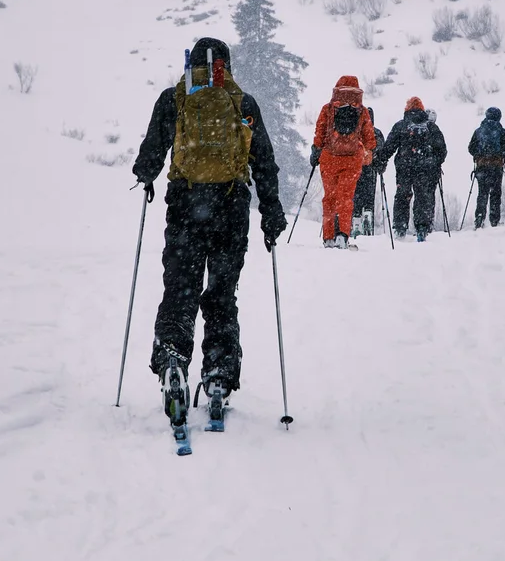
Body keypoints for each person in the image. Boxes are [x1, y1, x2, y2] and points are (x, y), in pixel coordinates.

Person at [132, 37, 287, 413]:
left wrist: (146, 173)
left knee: (180, 290)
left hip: (185, 206)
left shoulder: (175, 98)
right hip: (231, 209)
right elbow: (263, 161)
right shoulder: (243, 103)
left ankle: (172, 358)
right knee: (220, 297)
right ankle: (218, 372)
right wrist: (271, 212)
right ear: (226, 66)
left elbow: (152, 151)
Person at [309, 75, 376, 248]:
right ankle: (343, 235)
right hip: (352, 160)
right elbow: (369, 137)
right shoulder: (361, 110)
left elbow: (320, 131)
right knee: (346, 199)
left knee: (329, 198)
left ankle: (328, 237)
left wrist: (316, 151)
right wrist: (370, 154)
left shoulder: (329, 108)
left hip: (329, 159)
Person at [374, 96, 447, 242]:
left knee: (403, 195)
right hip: (425, 168)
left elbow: (389, 147)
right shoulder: (431, 127)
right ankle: (422, 229)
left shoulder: (401, 126)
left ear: (407, 109)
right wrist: (435, 163)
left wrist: (379, 160)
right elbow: (442, 150)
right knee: (422, 197)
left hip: (404, 167)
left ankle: (400, 228)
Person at [468, 105, 505, 228]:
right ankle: (494, 220)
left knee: (482, 193)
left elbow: (471, 148)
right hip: (496, 168)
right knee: (495, 194)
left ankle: (479, 218)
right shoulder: (502, 132)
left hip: (482, 168)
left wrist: (479, 157)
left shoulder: (478, 131)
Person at [352, 118, 386, 238]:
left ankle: (355, 221)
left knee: (355, 195)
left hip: (354, 167)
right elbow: (382, 151)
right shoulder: (376, 132)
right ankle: (368, 214)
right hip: (370, 168)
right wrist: (381, 165)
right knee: (369, 194)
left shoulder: (354, 131)